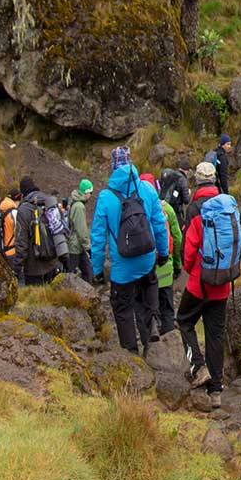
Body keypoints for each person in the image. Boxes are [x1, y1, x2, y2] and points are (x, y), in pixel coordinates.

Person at [90, 147, 169, 355]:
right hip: (147, 258)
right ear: (131, 163)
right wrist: (164, 253)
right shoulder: (147, 189)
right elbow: (159, 225)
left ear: (113, 166)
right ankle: (151, 324)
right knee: (149, 285)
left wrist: (97, 270)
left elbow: (98, 239)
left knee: (123, 308)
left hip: (122, 266)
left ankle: (131, 353)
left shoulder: (105, 197)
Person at [177, 161, 230, 408]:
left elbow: (189, 249)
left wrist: (190, 270)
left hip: (200, 282)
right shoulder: (227, 205)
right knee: (215, 334)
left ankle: (199, 367)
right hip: (223, 282)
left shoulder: (195, 209)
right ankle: (216, 391)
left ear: (197, 181)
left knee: (184, 320)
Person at [140, 173, 183, 336]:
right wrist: (178, 265)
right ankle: (170, 338)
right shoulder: (167, 209)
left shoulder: (134, 208)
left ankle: (149, 337)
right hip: (165, 265)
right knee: (167, 306)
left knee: (147, 304)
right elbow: (177, 238)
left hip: (144, 266)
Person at [12, 175, 70, 285]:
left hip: (33, 269)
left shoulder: (23, 210)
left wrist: (16, 269)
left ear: (23, 193)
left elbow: (21, 243)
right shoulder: (50, 203)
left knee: (36, 296)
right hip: (53, 264)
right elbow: (62, 229)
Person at [67, 178, 93, 282]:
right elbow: (81, 229)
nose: (90, 195)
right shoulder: (79, 207)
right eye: (90, 192)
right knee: (74, 276)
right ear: (86, 192)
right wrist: (87, 247)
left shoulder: (75, 203)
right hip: (76, 247)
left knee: (86, 273)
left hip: (76, 246)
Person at [159, 159, 191, 228]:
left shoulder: (170, 175)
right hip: (176, 211)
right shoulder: (183, 179)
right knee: (177, 229)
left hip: (163, 206)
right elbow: (186, 200)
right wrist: (188, 193)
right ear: (187, 171)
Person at [0, 188, 21, 264]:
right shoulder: (13, 213)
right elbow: (19, 233)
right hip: (14, 251)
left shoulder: (2, 211)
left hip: (5, 250)